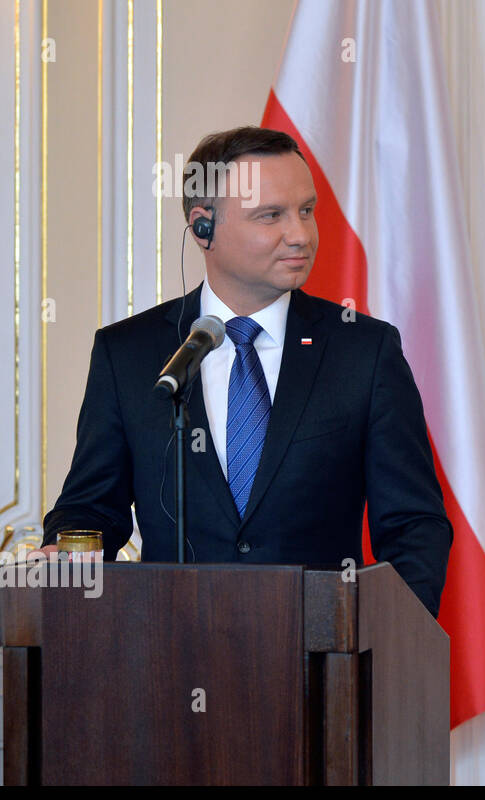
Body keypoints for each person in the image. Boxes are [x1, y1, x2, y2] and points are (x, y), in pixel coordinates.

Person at [42, 126, 452, 616]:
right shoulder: (127, 353)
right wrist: (66, 559)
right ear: (203, 228)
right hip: (165, 660)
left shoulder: (364, 350)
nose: (301, 234)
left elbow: (414, 526)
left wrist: (381, 638)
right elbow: (91, 508)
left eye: (306, 210)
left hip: (323, 669)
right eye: (270, 216)